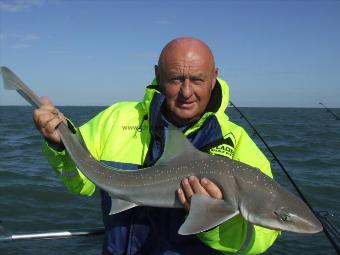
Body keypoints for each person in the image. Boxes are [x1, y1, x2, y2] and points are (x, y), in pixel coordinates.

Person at [33, 37, 279, 255]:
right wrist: (60, 144)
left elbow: (259, 241)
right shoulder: (117, 118)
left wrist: (215, 221)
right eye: (175, 79)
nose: (186, 92)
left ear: (214, 78)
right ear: (158, 74)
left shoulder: (237, 143)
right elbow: (81, 184)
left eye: (197, 79)